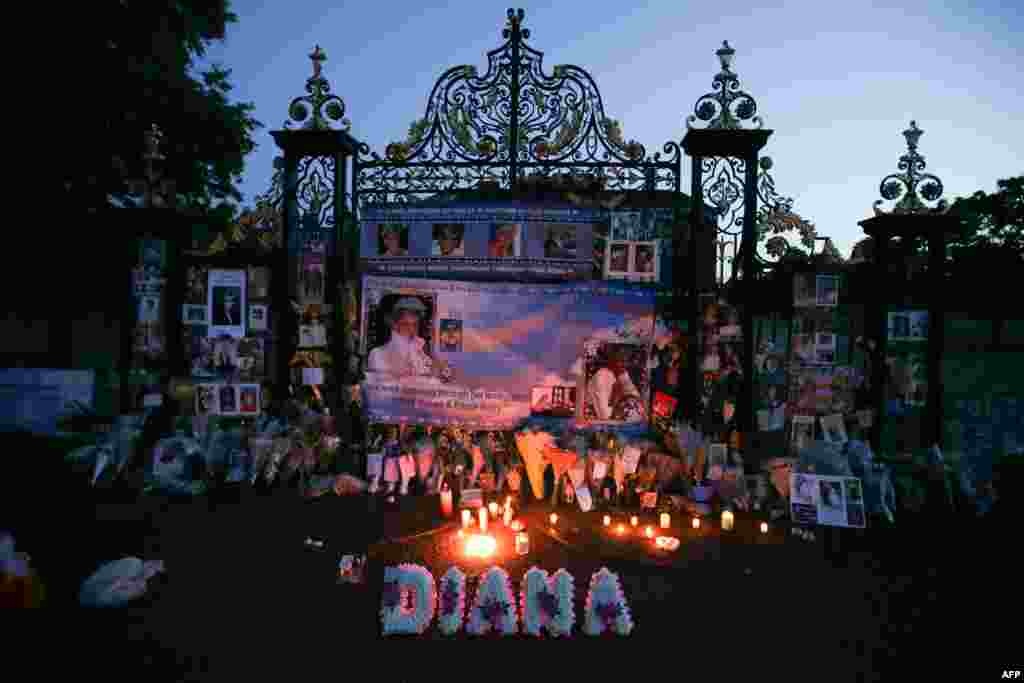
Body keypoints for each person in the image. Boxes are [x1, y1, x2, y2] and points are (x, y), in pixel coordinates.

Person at [367, 297, 435, 378]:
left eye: (415, 325)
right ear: (395, 325)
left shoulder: (421, 354)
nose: (411, 330)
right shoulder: (377, 354)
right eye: (405, 324)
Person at [587, 348, 642, 420]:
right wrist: (616, 397)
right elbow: (604, 415)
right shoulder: (602, 376)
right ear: (611, 360)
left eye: (626, 361)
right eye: (620, 360)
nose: (624, 364)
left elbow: (637, 402)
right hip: (595, 422)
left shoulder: (621, 373)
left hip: (615, 419)